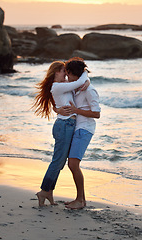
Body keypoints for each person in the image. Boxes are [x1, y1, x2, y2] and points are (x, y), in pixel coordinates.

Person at [33, 61, 89, 206]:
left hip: (66, 125)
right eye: (64, 71)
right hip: (64, 126)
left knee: (60, 162)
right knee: (57, 161)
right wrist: (85, 71)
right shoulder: (57, 86)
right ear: (56, 72)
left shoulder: (60, 87)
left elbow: (80, 84)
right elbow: (80, 81)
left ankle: (49, 192)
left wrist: (87, 81)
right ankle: (44, 190)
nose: (66, 73)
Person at [57, 58, 101, 209]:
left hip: (85, 129)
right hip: (76, 128)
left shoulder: (89, 90)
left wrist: (76, 111)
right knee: (72, 164)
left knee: (73, 164)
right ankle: (80, 199)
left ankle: (80, 201)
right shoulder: (76, 87)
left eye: (68, 73)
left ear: (72, 73)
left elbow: (96, 113)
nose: (67, 76)